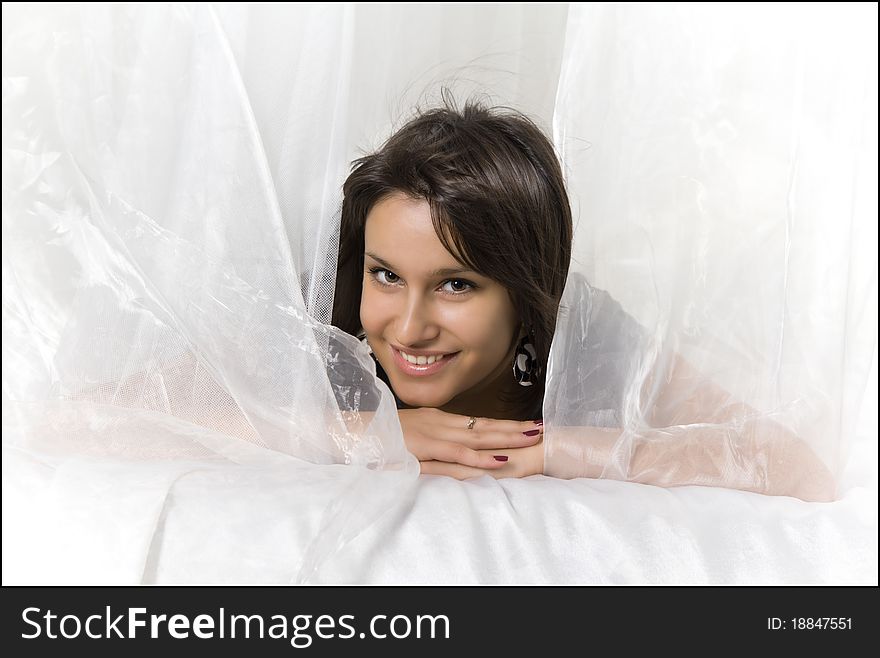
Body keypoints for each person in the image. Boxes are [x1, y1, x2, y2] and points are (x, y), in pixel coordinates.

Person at [331, 93, 836, 501]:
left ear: (527, 289)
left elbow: (795, 466)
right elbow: (247, 414)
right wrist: (373, 431)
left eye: (456, 284)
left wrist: (557, 450)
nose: (409, 328)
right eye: (387, 276)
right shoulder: (328, 314)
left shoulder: (586, 332)